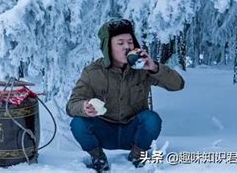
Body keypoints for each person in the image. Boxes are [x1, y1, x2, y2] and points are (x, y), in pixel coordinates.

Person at [66, 18, 185, 172]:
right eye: (120, 43)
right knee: (78, 123)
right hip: (105, 131)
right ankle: (98, 159)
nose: (127, 47)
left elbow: (178, 85)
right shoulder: (93, 72)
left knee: (152, 119)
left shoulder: (143, 69)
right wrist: (84, 107)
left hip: (133, 131)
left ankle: (137, 156)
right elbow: (72, 105)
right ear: (108, 47)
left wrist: (154, 67)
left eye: (130, 42)